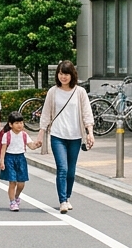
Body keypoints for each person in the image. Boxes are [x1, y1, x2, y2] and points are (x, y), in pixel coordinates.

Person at [37, 60, 94, 214]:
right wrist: (41, 135)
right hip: (58, 135)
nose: (63, 77)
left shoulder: (80, 92)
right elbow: (46, 114)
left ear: (72, 75)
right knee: (62, 168)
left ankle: (67, 197)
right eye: (61, 73)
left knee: (71, 170)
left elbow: (87, 113)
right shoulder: (53, 92)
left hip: (75, 136)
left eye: (66, 74)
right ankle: (62, 200)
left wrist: (90, 133)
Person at [0, 112, 37, 210]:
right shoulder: (7, 135)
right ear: (10, 124)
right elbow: (3, 149)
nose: (20, 125)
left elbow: (31, 146)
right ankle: (12, 202)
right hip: (9, 158)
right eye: (17, 123)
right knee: (12, 182)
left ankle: (16, 196)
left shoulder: (24, 135)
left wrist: (37, 144)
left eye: (21, 123)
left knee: (21, 183)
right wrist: (2, 161)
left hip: (21, 158)